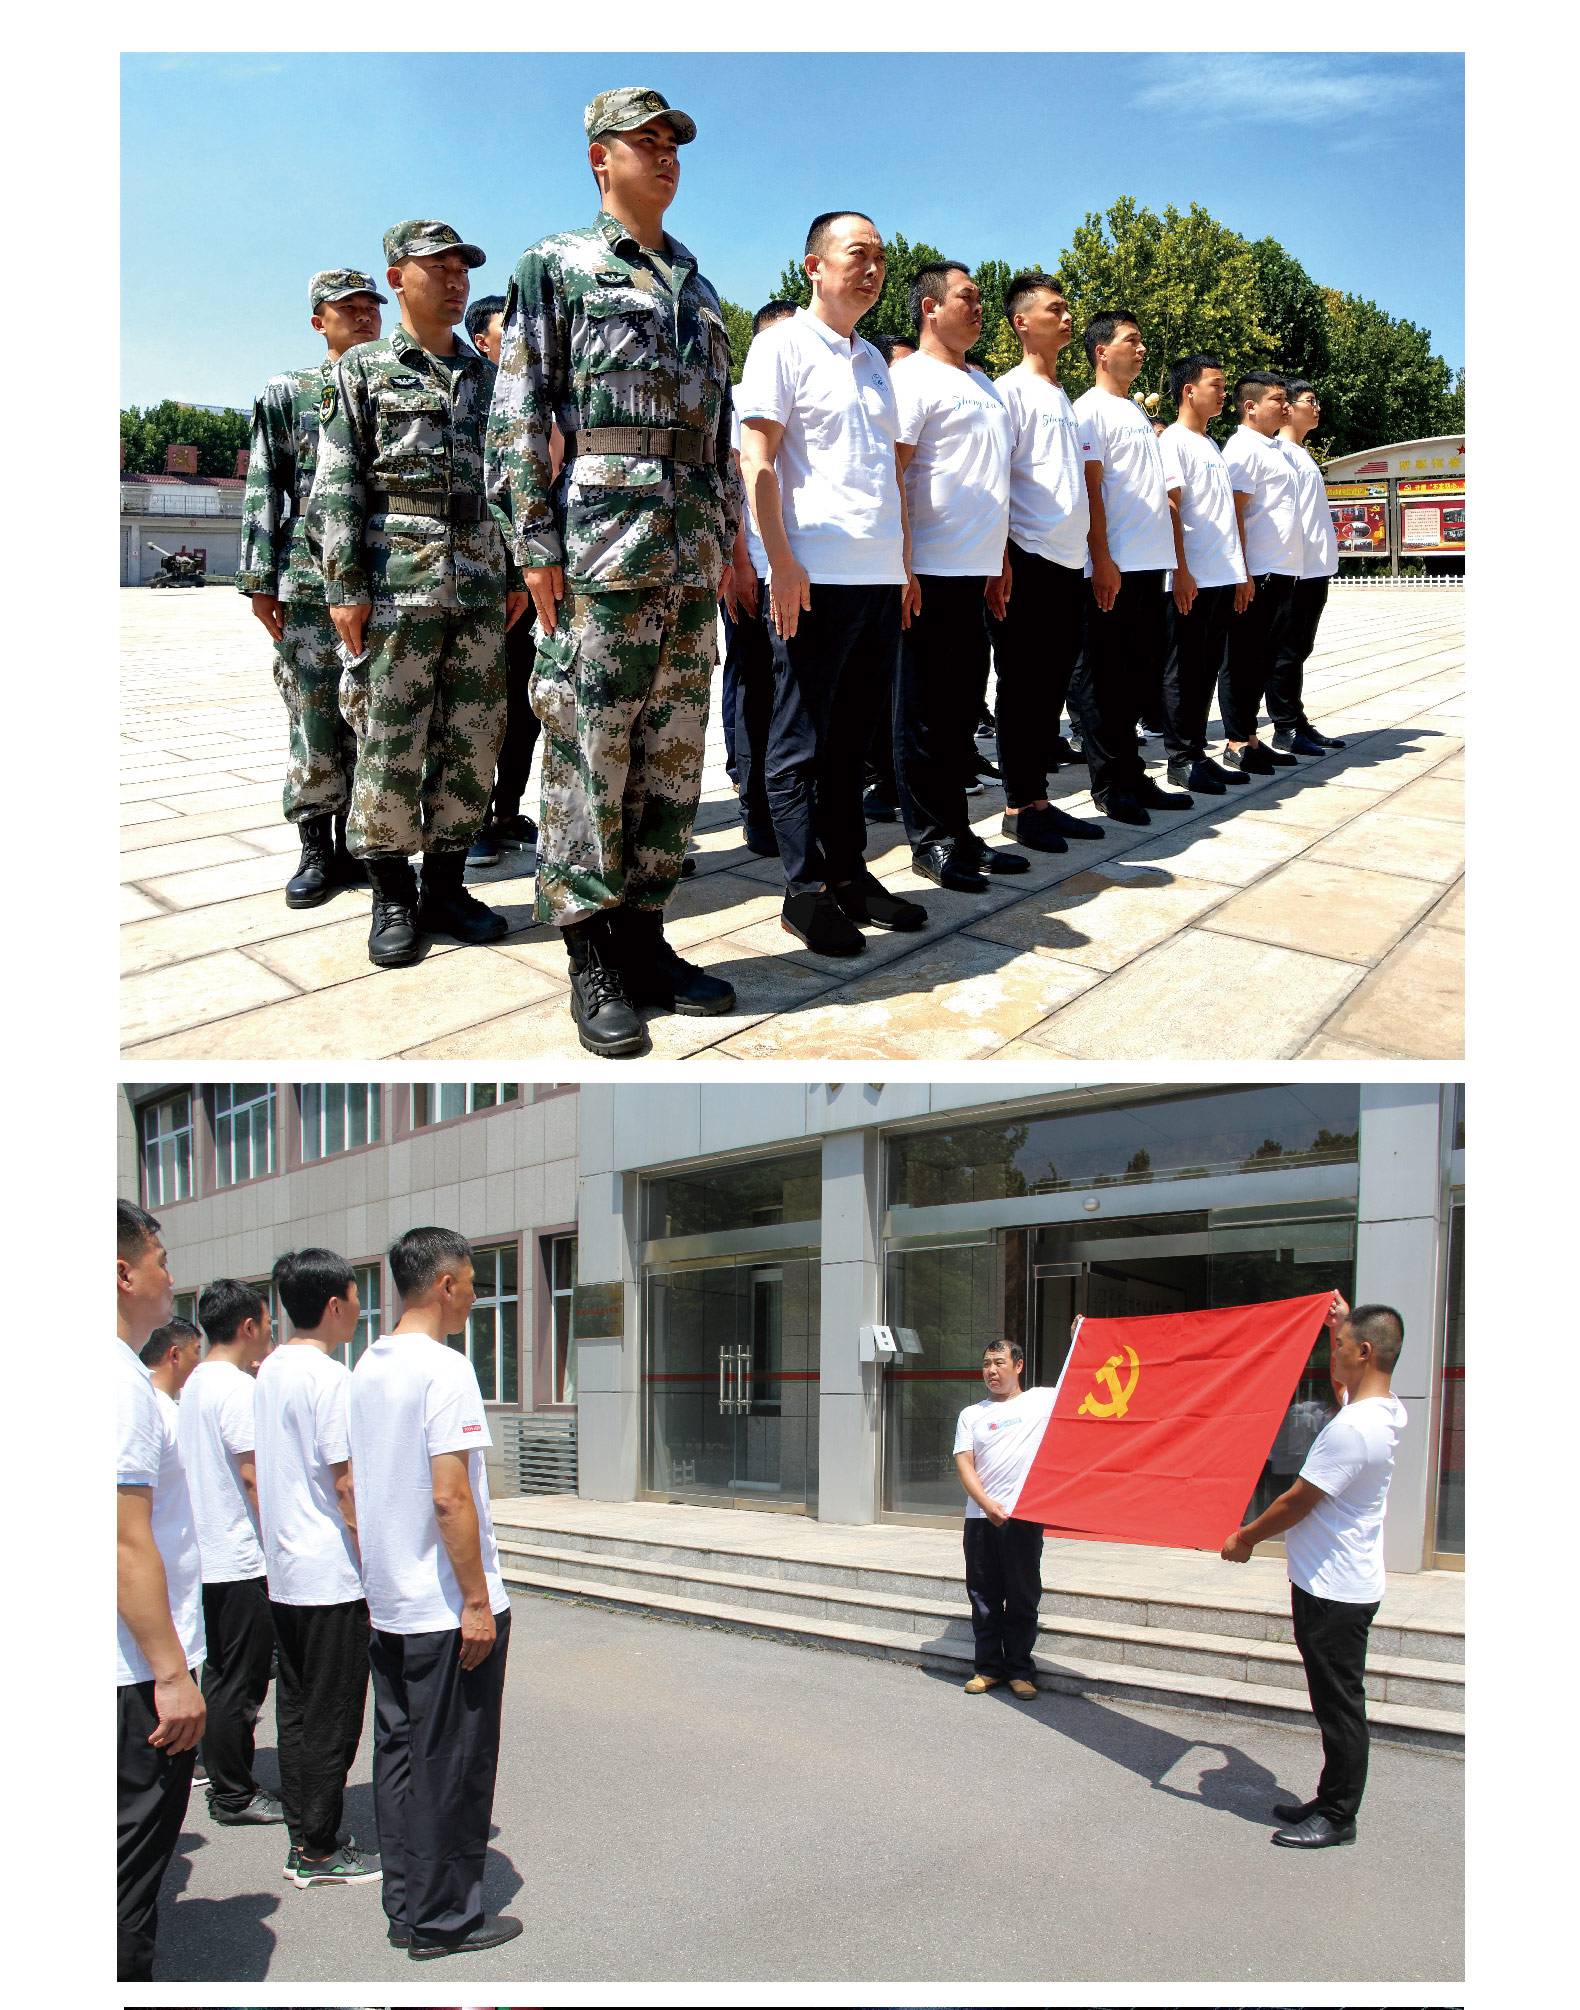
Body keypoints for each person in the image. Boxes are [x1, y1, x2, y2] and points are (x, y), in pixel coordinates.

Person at [485, 89, 744, 1058]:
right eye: (646, 142)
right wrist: (533, 545)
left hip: (687, 554)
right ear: (600, 158)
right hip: (599, 549)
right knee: (589, 754)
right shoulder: (555, 266)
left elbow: (718, 432)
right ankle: (589, 953)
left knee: (671, 759)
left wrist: (725, 540)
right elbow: (517, 411)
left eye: (674, 142)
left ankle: (645, 938)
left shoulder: (698, 285)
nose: (666, 156)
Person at [313, 219, 524, 968]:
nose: (457, 280)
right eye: (440, 267)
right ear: (398, 278)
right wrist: (344, 584)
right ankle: (391, 895)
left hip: (479, 584)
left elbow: (511, 483)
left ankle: (447, 886)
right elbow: (337, 480)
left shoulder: (489, 379)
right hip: (395, 583)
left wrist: (516, 570)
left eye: (463, 269)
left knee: (473, 737)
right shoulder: (364, 369)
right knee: (390, 737)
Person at [736, 210, 927, 955]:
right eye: (857, 253)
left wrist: (901, 564)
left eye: (881, 256)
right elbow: (757, 459)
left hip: (876, 576)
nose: (872, 267)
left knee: (852, 743)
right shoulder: (781, 345)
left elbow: (885, 473)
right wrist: (780, 562)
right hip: (812, 576)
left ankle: (848, 872)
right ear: (814, 266)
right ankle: (804, 890)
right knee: (800, 742)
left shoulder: (875, 359)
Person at [347, 1227, 521, 1959]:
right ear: (445, 1284)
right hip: (443, 1607)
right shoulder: (445, 1369)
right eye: (474, 1283)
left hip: (391, 1600)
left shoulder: (367, 1365)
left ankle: (406, 1906)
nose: (477, 1297)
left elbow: (361, 1485)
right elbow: (451, 1496)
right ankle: (444, 1920)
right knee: (454, 1762)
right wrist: (476, 1601)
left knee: (400, 1757)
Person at [1222, 1294, 1409, 1850]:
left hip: (1334, 1591)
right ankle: (1329, 1799)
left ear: (1366, 1351)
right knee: (1334, 1701)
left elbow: (1298, 1500)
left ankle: (1338, 1816)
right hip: (1336, 1583)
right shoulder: (1382, 1409)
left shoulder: (1354, 1431)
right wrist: (1338, 1325)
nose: (1334, 1355)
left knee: (1339, 1707)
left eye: (1342, 1346)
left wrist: (1245, 1538)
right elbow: (1345, 1389)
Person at [238, 269, 386, 908]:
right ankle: (317, 848)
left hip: (390, 572)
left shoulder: (394, 382)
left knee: (379, 717)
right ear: (318, 321)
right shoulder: (289, 391)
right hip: (307, 578)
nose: (364, 316)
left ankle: (367, 845)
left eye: (371, 306)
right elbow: (264, 483)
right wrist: (258, 579)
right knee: (314, 715)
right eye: (348, 308)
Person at [892, 261, 1026, 892]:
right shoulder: (909, 378)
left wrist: (999, 561)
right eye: (966, 297)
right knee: (922, 715)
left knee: (957, 717)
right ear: (930, 307)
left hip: (975, 573)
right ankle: (931, 841)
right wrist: (901, 564)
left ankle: (961, 832)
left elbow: (992, 480)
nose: (978, 307)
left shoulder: (984, 383)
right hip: (927, 570)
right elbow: (893, 474)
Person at [254, 1250, 379, 1888]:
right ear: (334, 1305)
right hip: (330, 1575)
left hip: (285, 1571)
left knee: (298, 1710)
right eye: (356, 1297)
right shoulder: (331, 1379)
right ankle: (319, 1851)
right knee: (333, 1714)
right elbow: (346, 1484)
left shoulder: (271, 1370)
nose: (359, 1308)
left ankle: (303, 1833)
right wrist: (374, 1559)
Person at [987, 271, 1107, 853]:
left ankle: (1039, 799)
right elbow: (995, 479)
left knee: (1053, 685)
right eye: (1054, 309)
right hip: (1025, 556)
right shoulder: (1008, 392)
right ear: (1021, 322)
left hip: (1067, 560)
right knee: (1023, 685)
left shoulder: (1060, 394)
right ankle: (1018, 807)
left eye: (1067, 308)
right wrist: (1001, 556)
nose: (1067, 317)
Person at [118, 1203, 205, 1983]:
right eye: (160, 1259)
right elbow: (122, 1540)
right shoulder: (118, 1385)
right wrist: (171, 1673)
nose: (169, 1275)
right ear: (123, 1272)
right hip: (132, 1673)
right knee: (126, 1880)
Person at [1070, 312, 1194, 825]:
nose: (1142, 350)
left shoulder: (1136, 412)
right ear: (1102, 351)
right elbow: (1090, 488)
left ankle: (1132, 773)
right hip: (1115, 566)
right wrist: (1101, 558)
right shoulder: (1089, 410)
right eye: (1132, 341)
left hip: (1149, 564)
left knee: (1137, 680)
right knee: (1105, 680)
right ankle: (1109, 783)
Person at [178, 1278, 283, 1826]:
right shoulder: (237, 1389)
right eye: (267, 1322)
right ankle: (234, 1795)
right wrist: (280, 1545)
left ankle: (224, 1782)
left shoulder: (196, 1382)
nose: (270, 1332)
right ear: (248, 1326)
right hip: (238, 1558)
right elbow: (253, 1477)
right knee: (239, 1683)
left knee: (221, 1674)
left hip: (206, 1555)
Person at [1157, 354, 1255, 796]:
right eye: (1215, 385)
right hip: (1191, 578)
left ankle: (1197, 752)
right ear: (1188, 390)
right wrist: (1180, 571)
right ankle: (1180, 758)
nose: (1222, 393)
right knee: (1183, 669)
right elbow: (1171, 507)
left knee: (1206, 669)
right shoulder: (1173, 441)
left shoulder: (1210, 444)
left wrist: (1238, 573)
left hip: (1219, 576)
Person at [726, 299, 798, 856]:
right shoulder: (739, 398)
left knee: (792, 696)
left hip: (801, 567)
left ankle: (792, 804)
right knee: (756, 690)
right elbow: (732, 484)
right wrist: (739, 564)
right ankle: (757, 809)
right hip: (754, 566)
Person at [952, 1339, 1054, 1698]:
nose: (991, 1371)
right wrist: (986, 1504)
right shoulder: (971, 1414)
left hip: (1023, 1516)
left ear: (1018, 1365)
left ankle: (1020, 1670)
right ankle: (988, 1669)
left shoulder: (1042, 1401)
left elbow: (1084, 1382)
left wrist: (1080, 1337)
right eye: (986, 1364)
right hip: (981, 1519)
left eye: (999, 1362)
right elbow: (965, 1465)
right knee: (983, 1596)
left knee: (1023, 1596)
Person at [1218, 372, 1305, 774]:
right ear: (1250, 407)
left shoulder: (1274, 448)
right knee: (1242, 659)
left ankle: (1252, 737)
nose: (1285, 406)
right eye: (1277, 399)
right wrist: (1242, 571)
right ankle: (1237, 741)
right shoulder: (1242, 448)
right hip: (1258, 572)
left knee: (1263, 660)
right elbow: (1233, 511)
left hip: (1282, 569)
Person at [1271, 379, 1347, 756]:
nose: (1316, 408)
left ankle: (1297, 720)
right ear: (1288, 407)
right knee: (1285, 651)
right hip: (1296, 571)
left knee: (1300, 648)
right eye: (1309, 401)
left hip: (1315, 569)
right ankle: (1285, 727)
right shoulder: (1280, 454)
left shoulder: (1300, 453)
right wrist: (1291, 566)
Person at [140, 1315, 204, 1415]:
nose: (199, 1363)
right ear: (175, 1354)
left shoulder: (136, 1398)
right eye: (196, 1352)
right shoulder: (168, 1414)